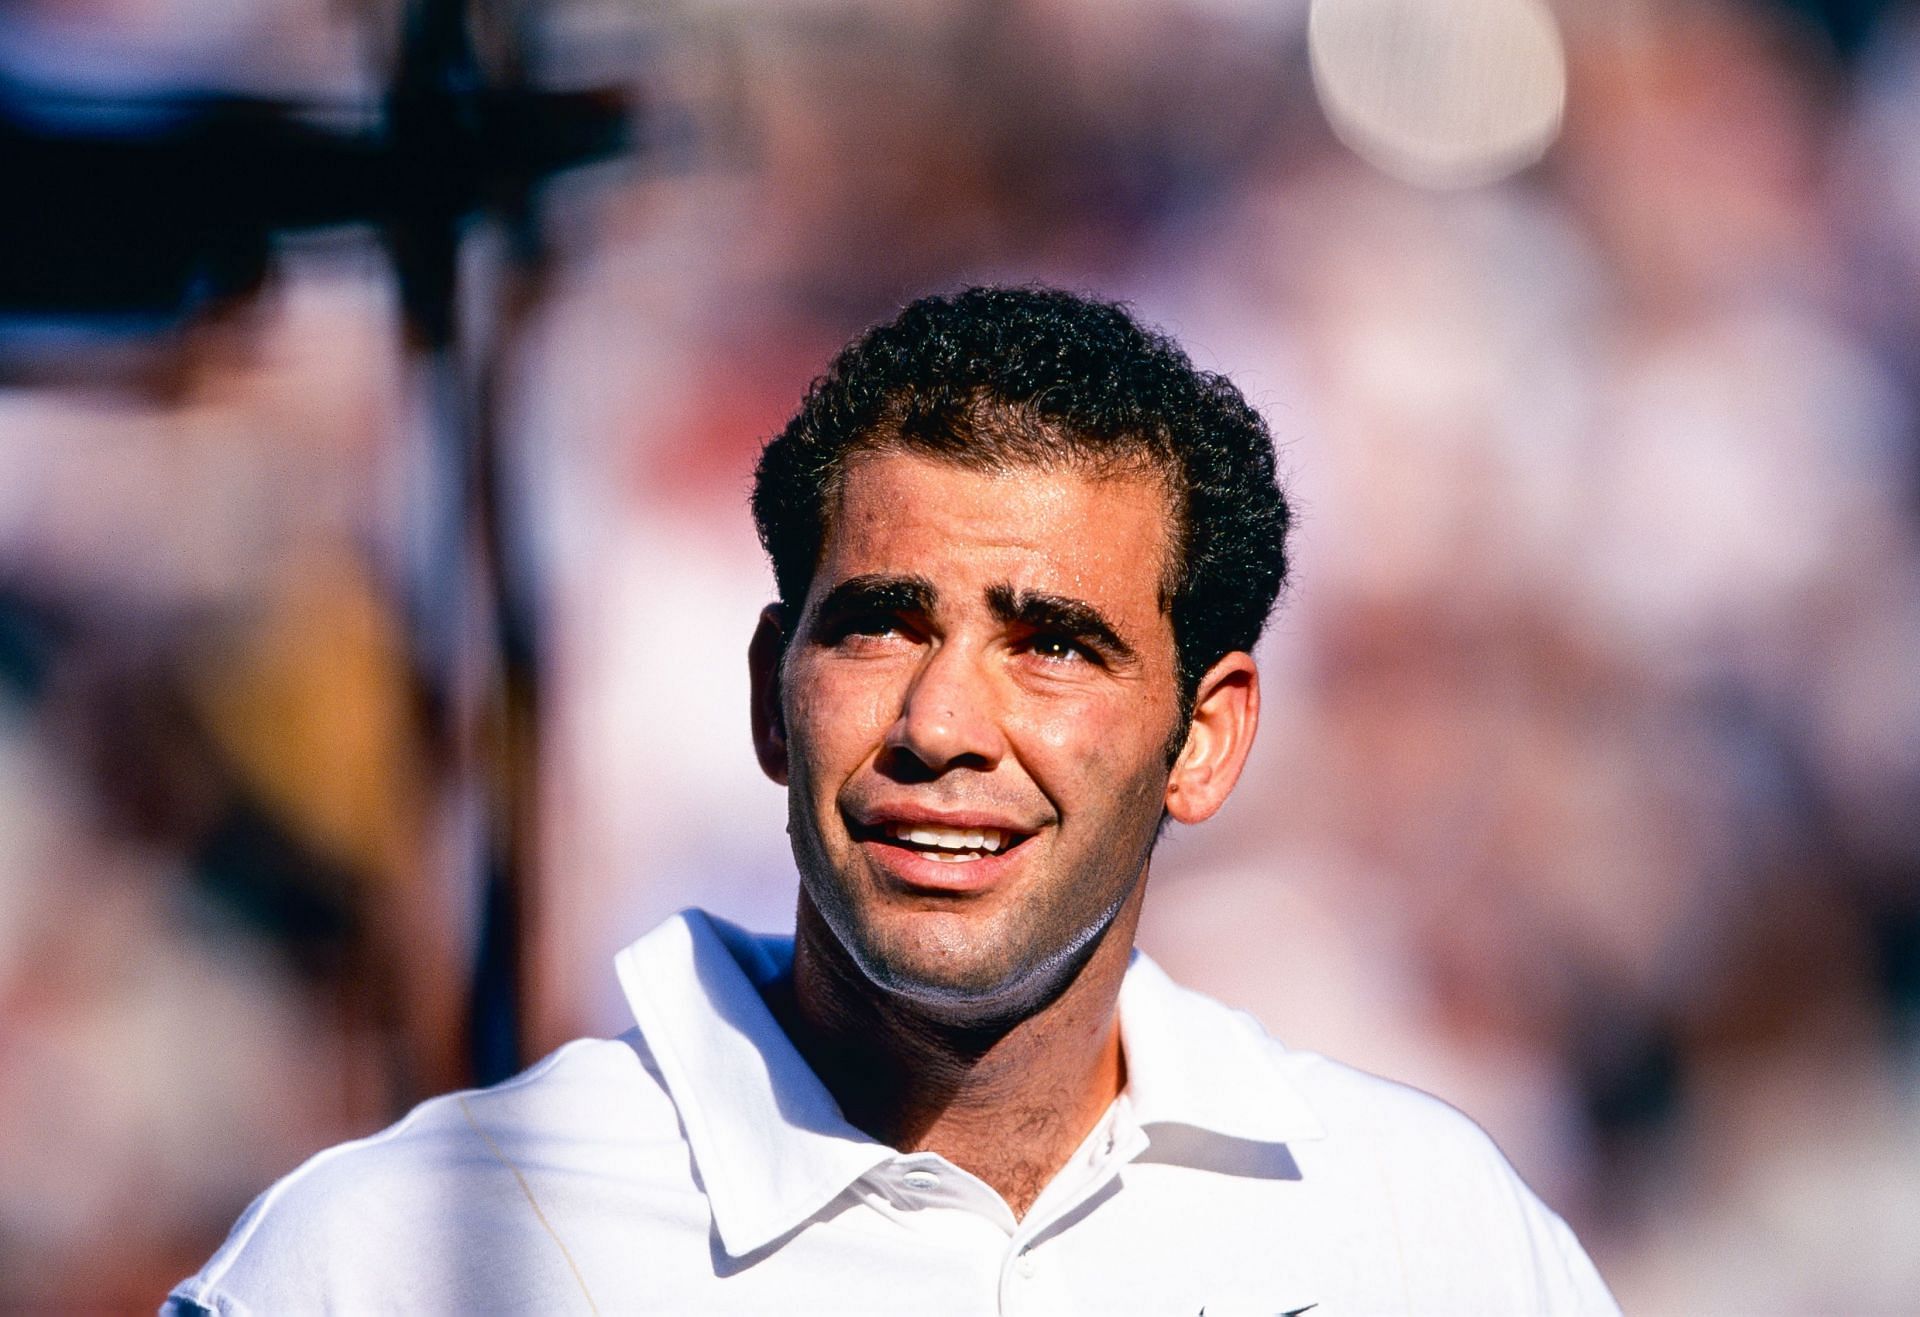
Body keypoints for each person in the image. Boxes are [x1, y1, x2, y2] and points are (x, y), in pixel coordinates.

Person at [166, 287, 1619, 1314]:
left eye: (1051, 642)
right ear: (767, 695)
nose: (941, 723)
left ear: (1207, 738)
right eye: (876, 624)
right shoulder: (406, 1261)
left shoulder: (1426, 1235)